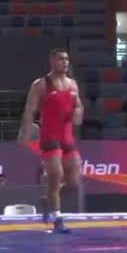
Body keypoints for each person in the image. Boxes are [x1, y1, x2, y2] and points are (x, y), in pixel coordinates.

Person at [19, 48, 84, 233]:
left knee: (73, 182)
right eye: (61, 59)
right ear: (52, 61)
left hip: (67, 137)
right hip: (50, 136)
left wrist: (78, 112)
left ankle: (48, 201)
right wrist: (26, 134)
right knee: (55, 176)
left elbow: (79, 105)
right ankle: (57, 219)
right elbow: (30, 110)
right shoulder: (41, 84)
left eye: (67, 59)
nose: (65, 62)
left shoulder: (73, 84)